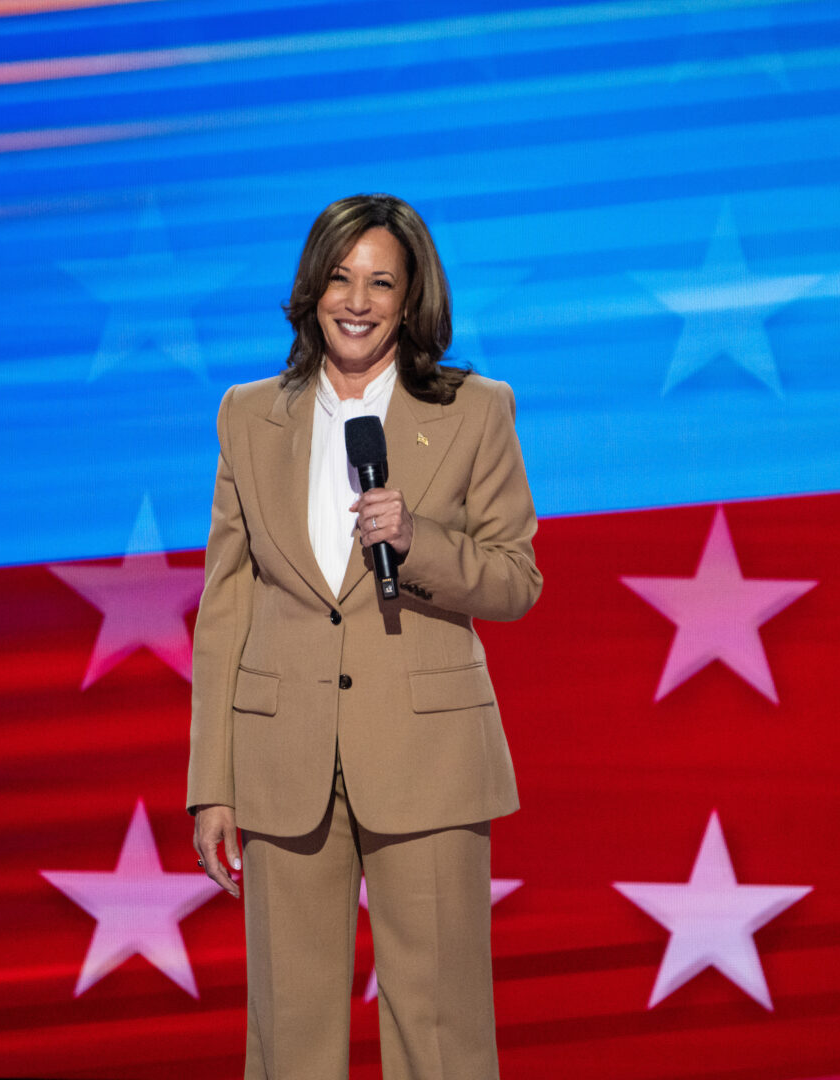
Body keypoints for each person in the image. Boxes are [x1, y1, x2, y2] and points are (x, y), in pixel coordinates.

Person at [187, 193, 541, 1080]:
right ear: (312, 289)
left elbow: (514, 579)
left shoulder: (475, 409)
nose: (358, 299)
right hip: (281, 764)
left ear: (411, 298)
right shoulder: (246, 414)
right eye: (341, 277)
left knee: (440, 1030)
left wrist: (419, 540)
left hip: (427, 758)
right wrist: (211, 783)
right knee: (289, 1035)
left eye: (381, 281)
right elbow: (226, 603)